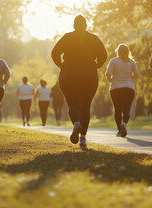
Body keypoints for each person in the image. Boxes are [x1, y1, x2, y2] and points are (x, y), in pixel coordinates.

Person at [51, 15, 107, 147]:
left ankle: (76, 123)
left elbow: (54, 53)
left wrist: (62, 65)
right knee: (86, 106)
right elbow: (103, 55)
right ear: (86, 25)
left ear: (74, 26)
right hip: (89, 76)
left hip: (69, 75)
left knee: (73, 104)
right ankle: (83, 138)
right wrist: (96, 65)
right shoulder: (94, 39)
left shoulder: (67, 37)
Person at [106, 44, 140, 138]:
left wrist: (111, 80)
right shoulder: (131, 62)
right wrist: (131, 80)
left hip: (115, 88)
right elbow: (137, 74)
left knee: (117, 110)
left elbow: (108, 73)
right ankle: (124, 124)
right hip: (129, 88)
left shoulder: (113, 61)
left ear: (117, 51)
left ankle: (119, 131)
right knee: (126, 110)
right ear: (128, 51)